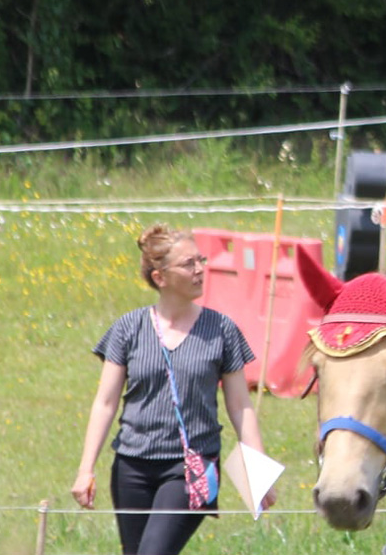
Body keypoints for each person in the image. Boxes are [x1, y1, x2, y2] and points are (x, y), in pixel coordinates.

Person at [71, 224, 275, 554]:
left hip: (191, 467)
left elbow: (241, 407)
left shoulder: (222, 330)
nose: (199, 270)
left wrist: (259, 473)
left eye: (200, 260)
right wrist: (85, 470)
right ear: (159, 278)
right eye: (188, 264)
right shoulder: (128, 329)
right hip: (131, 467)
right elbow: (105, 403)